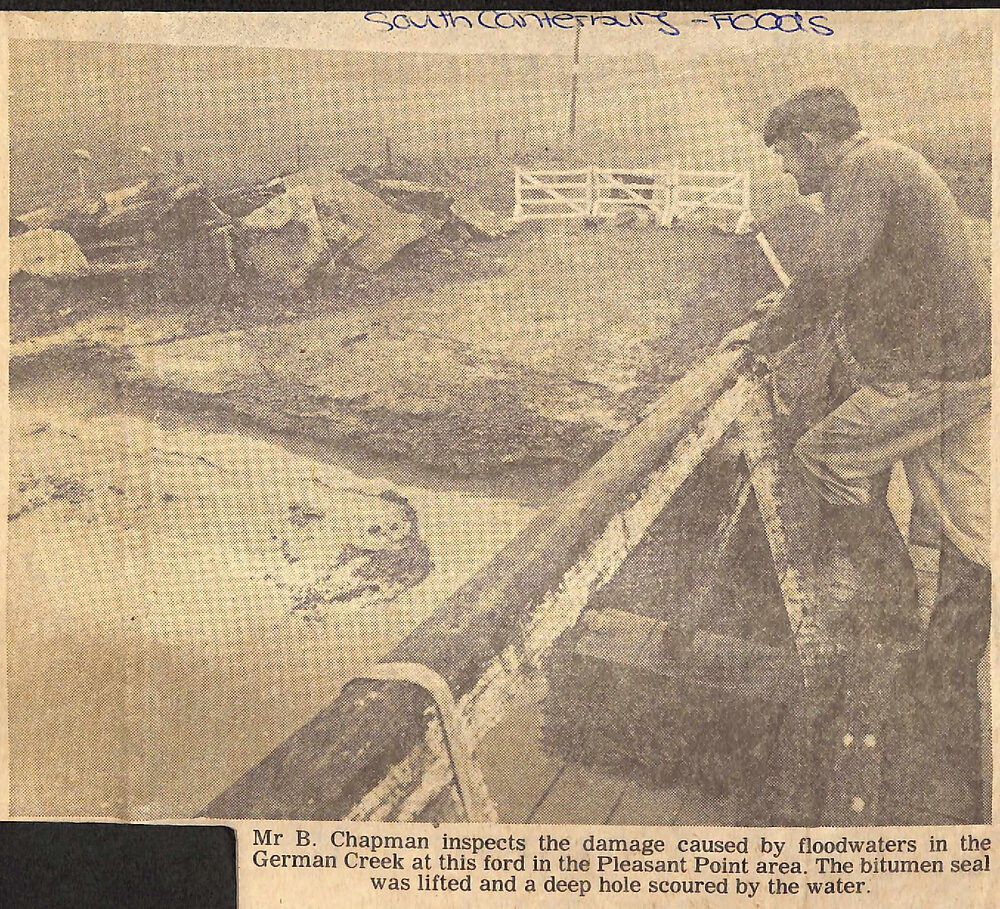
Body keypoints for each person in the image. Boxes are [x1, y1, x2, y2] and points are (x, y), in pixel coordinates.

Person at [727, 88, 991, 823]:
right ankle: (952, 661)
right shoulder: (895, 164)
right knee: (966, 525)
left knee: (824, 455)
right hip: (969, 367)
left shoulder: (867, 169)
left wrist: (764, 341)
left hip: (935, 374)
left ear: (814, 140)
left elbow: (828, 271)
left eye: (783, 151)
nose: (783, 169)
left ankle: (892, 605)